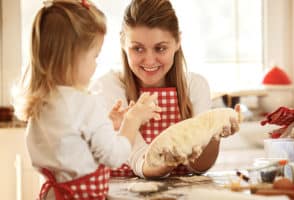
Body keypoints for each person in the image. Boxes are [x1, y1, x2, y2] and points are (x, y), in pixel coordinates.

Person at [12, 0, 161, 199]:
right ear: (72, 57)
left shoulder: (42, 104)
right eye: (94, 56)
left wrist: (107, 124)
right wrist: (132, 121)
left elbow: (71, 143)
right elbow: (114, 157)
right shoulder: (84, 104)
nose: (95, 64)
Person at [90, 0, 239, 179]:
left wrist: (214, 132)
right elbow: (139, 160)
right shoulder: (108, 87)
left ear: (177, 42)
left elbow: (199, 167)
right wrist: (171, 158)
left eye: (160, 48)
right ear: (123, 43)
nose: (150, 60)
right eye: (138, 49)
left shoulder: (195, 86)